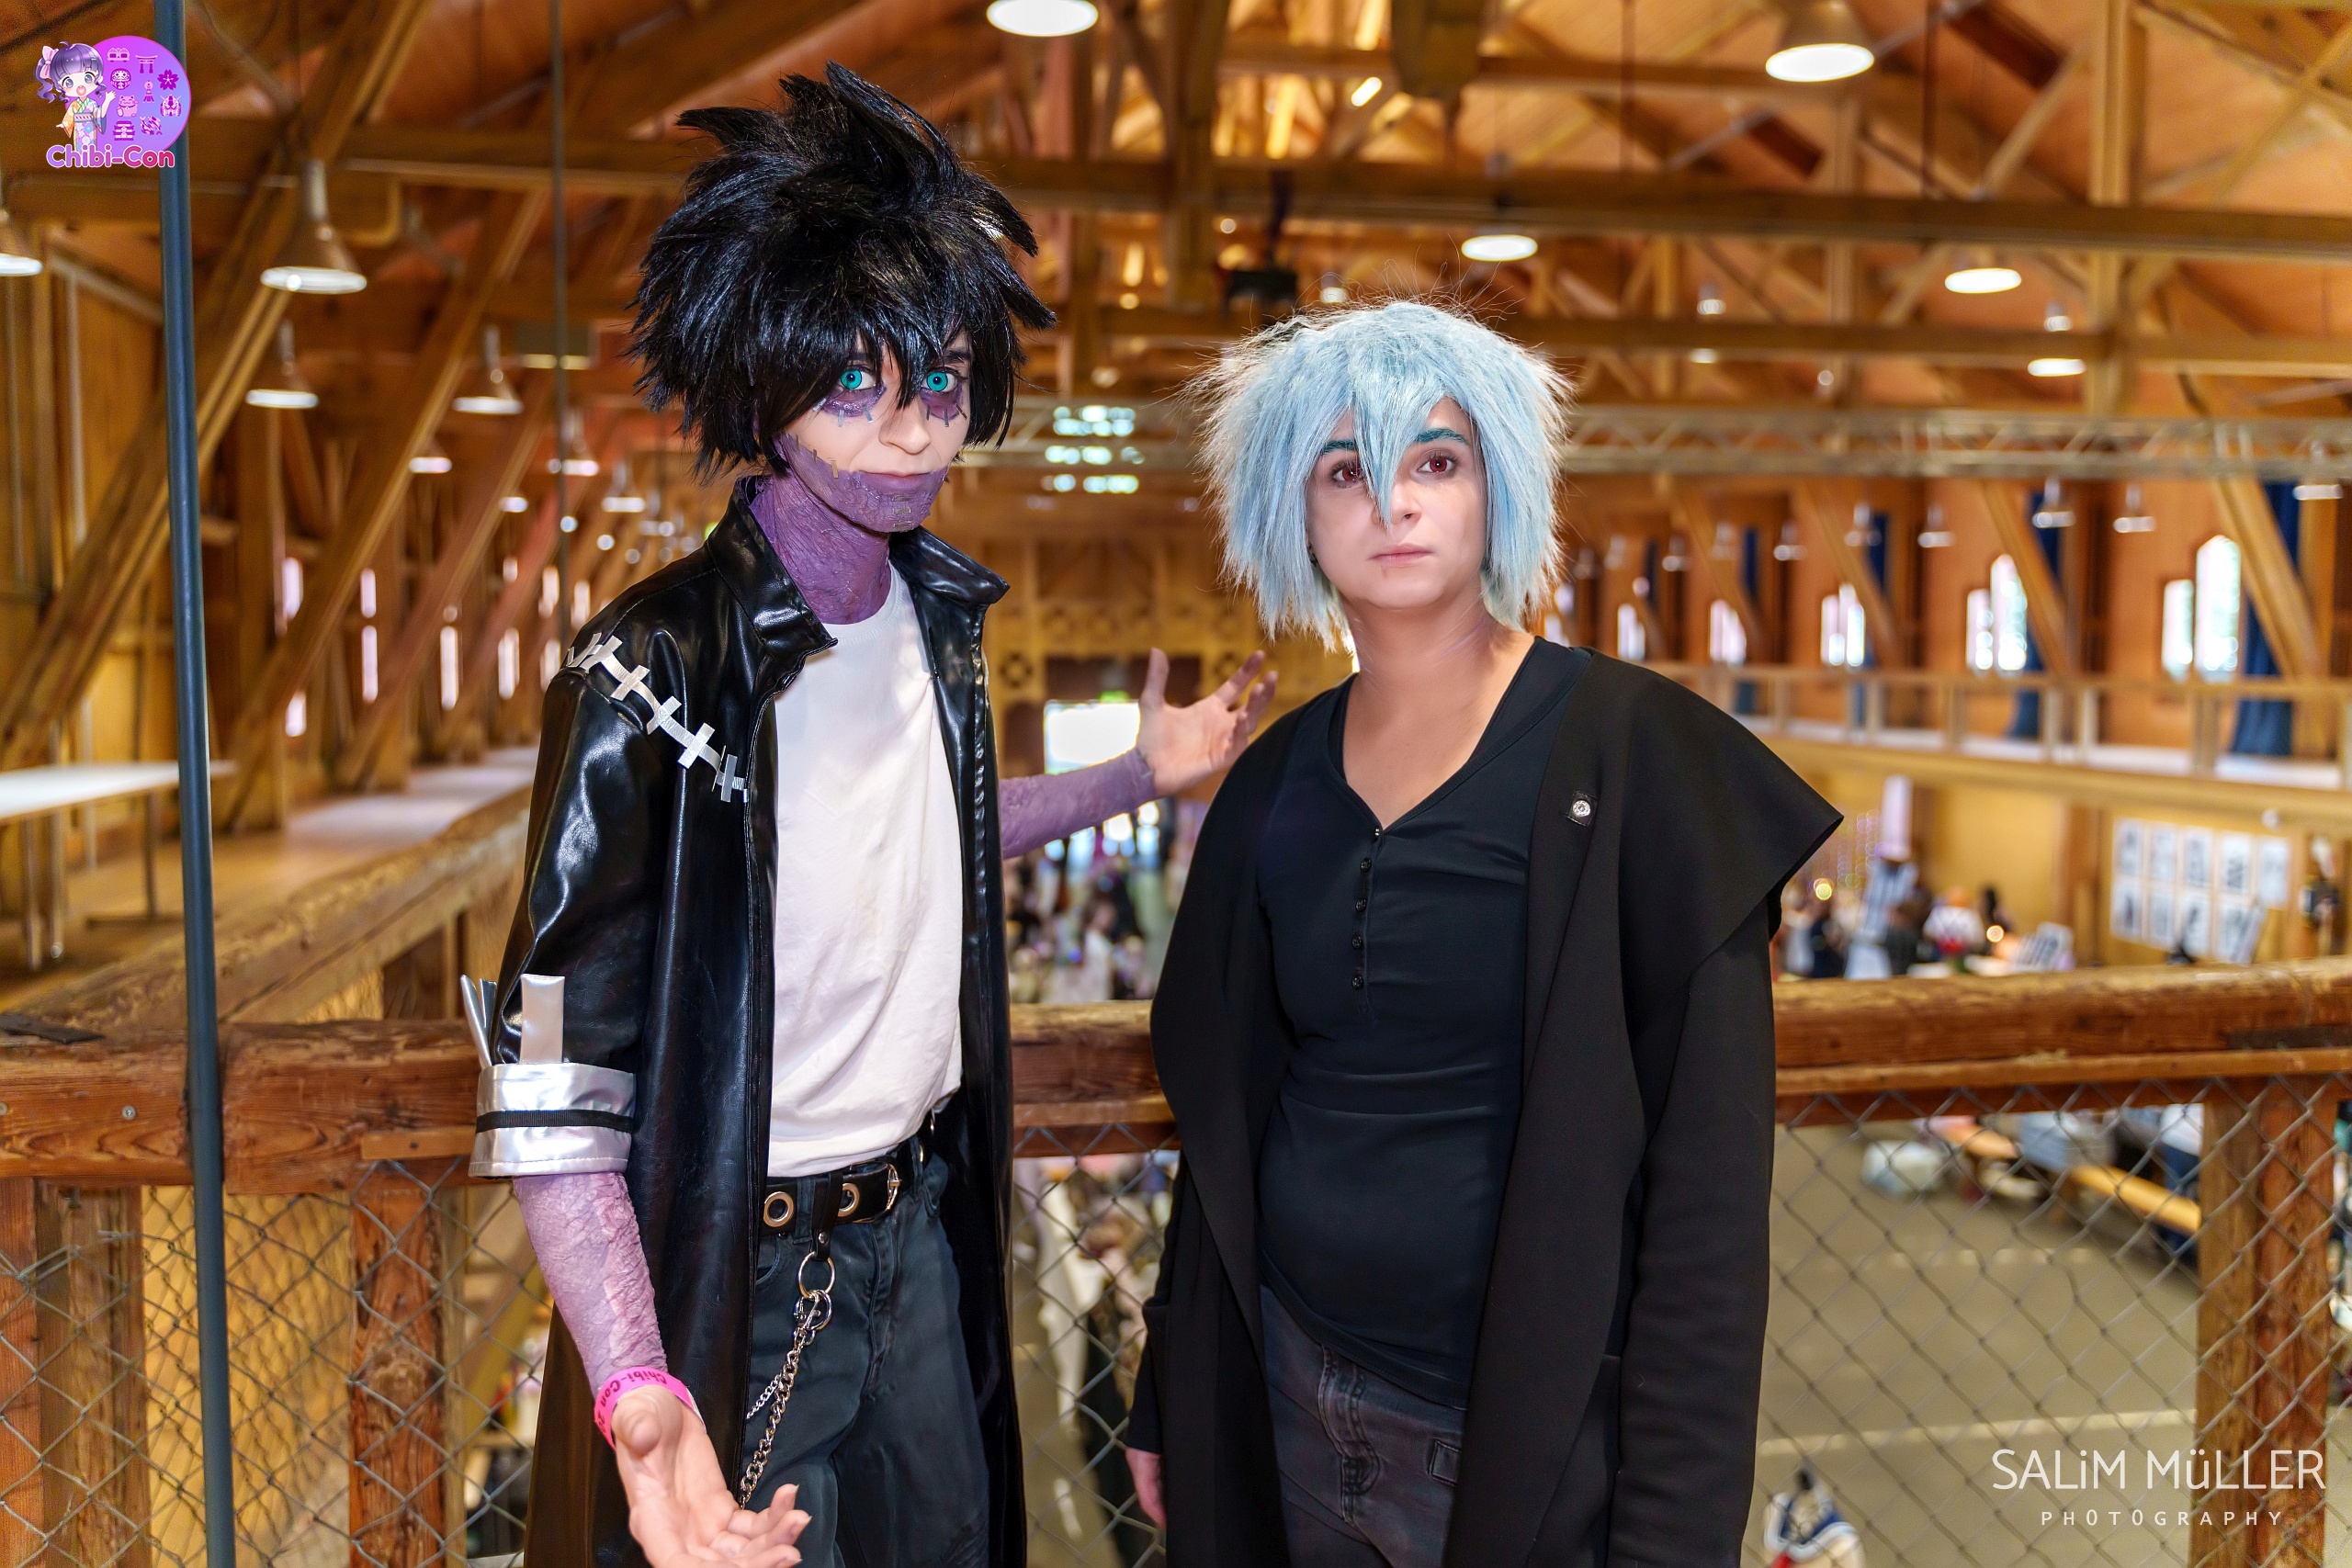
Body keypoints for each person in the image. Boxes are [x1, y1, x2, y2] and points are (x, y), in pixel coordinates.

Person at [469, 67, 1272, 1568]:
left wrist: (1132, 777)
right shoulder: (653, 669)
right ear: (757, 389)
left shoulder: (935, 626)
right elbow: (551, 1047)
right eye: (854, 383)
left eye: (941, 382)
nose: (910, 432)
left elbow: (937, 826)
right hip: (744, 1270)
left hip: (927, 1229)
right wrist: (635, 1378)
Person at [1121, 301, 1838, 1567]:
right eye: (1345, 471)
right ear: (1294, 511)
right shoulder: (1274, 782)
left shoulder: (1642, 763)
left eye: (1436, 460)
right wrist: (1171, 1387)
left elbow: (1709, 1218)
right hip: (1281, 1400)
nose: (1393, 503)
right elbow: (1229, 1126)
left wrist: (1671, 1539)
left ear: (1498, 486)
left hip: (1515, 1447)